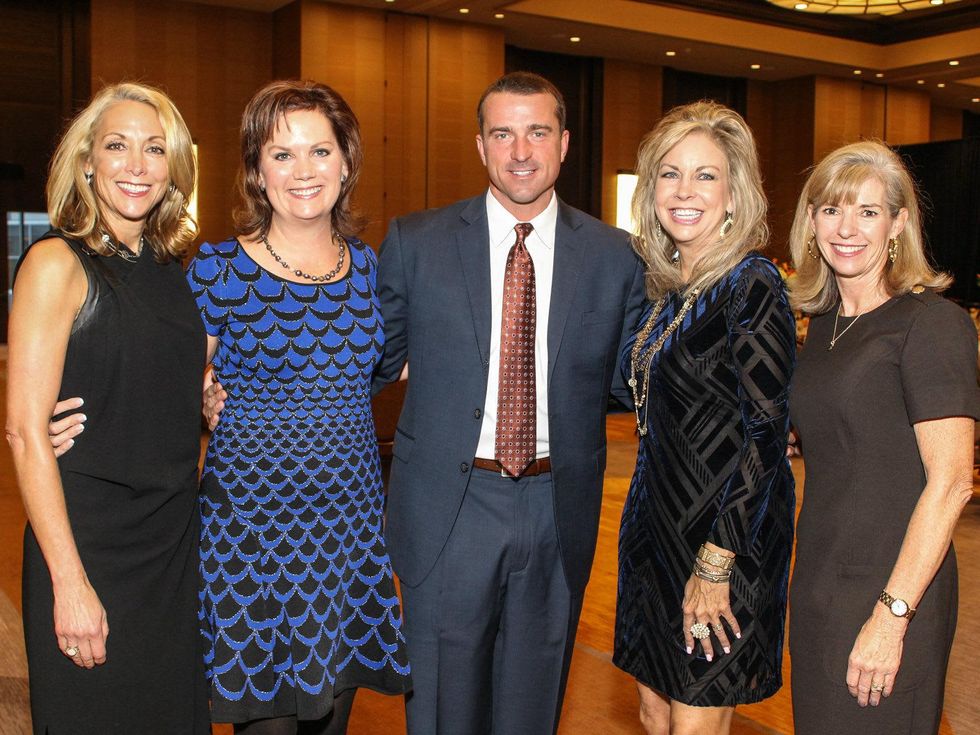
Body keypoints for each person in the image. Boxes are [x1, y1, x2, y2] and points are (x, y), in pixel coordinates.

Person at [372, 71, 646, 734]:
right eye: (503, 133)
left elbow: (641, 380)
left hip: (558, 511)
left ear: (564, 142)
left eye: (537, 131)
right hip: (448, 510)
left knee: (532, 706)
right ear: (480, 145)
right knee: (442, 710)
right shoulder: (417, 243)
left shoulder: (618, 257)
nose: (521, 150)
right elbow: (365, 365)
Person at [184, 80, 411, 734]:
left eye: (320, 150)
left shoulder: (370, 268)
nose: (303, 170)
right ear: (257, 170)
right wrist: (197, 391)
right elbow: (164, 378)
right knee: (269, 724)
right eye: (281, 154)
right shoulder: (219, 271)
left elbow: (390, 365)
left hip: (350, 536)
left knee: (334, 722)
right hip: (250, 541)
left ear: (347, 161)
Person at [5, 82, 209, 733]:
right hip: (91, 545)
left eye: (154, 148)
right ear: (87, 160)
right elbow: (24, 429)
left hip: (173, 551)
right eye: (117, 145)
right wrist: (69, 582)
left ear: (173, 166)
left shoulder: (172, 270)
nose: (136, 163)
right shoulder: (55, 262)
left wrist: (203, 397)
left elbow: (156, 387)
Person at [613, 102, 796, 735]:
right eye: (669, 174)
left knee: (695, 722)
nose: (684, 191)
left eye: (706, 175)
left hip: (723, 541)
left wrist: (716, 564)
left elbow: (767, 437)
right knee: (653, 712)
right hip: (652, 533)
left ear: (734, 193)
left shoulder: (751, 284)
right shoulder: (667, 292)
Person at [787, 141, 978, 734]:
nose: (847, 228)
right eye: (831, 209)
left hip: (893, 591)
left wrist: (892, 617)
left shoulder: (932, 324)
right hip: (818, 582)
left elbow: (949, 486)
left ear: (899, 224)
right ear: (811, 220)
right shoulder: (822, 326)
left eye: (868, 212)